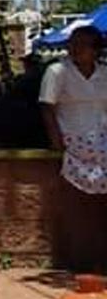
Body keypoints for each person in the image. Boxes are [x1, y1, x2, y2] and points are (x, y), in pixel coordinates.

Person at [39, 24, 107, 272]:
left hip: (103, 144)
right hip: (73, 145)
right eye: (73, 44)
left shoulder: (104, 74)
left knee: (101, 208)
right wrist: (56, 140)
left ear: (95, 50)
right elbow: (48, 107)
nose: (75, 49)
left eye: (82, 45)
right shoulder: (57, 72)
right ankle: (78, 262)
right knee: (77, 207)